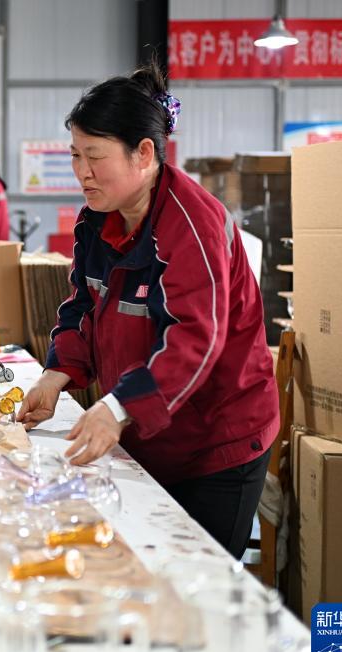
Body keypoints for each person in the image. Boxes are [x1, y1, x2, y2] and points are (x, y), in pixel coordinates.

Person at [17, 63, 279, 559]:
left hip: (216, 442)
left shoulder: (191, 224)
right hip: (150, 432)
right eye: (75, 155)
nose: (82, 172)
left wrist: (118, 408)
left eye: (95, 157)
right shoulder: (97, 221)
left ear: (143, 154)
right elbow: (83, 303)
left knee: (195, 580)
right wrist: (56, 374)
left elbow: (194, 341)